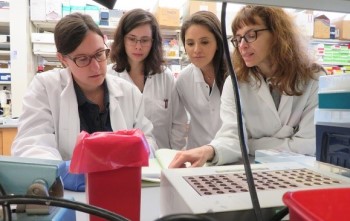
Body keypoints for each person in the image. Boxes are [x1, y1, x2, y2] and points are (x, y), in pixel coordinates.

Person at [11, 13, 157, 190]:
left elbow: (148, 140)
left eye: (99, 54)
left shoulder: (129, 93)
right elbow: (32, 144)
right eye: (82, 59)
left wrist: (137, 153)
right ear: (63, 59)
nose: (95, 66)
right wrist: (60, 172)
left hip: (122, 188)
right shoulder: (45, 88)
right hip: (68, 194)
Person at [169, 5, 326, 168]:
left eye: (251, 35)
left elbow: (308, 145)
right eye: (238, 39)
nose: (242, 45)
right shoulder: (235, 82)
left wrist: (249, 144)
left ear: (278, 34)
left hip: (300, 173)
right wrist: (211, 150)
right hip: (250, 171)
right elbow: (232, 136)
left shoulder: (313, 78)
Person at [108, 8, 188, 150]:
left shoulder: (165, 77)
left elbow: (178, 123)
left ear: (153, 42)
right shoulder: (109, 77)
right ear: (122, 39)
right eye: (132, 39)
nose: (138, 46)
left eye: (145, 40)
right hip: (124, 160)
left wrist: (174, 156)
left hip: (162, 160)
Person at [175, 10, 227, 149]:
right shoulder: (183, 80)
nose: (196, 50)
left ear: (218, 43)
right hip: (197, 158)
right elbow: (179, 122)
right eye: (190, 43)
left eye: (204, 42)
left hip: (233, 157)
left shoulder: (236, 75)